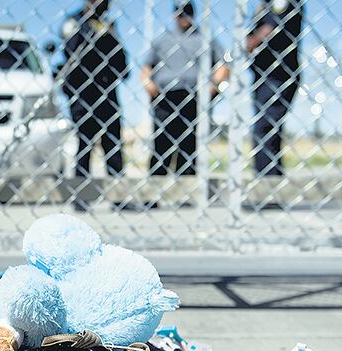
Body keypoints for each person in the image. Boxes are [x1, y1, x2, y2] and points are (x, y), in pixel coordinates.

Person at [143, 2, 229, 177]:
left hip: (193, 97)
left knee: (189, 145)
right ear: (174, 15)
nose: (183, 17)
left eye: (187, 12)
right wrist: (148, 84)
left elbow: (223, 65)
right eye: (180, 13)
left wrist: (212, 88)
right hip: (165, 97)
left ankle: (186, 193)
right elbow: (146, 66)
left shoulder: (204, 39)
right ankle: (153, 192)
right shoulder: (163, 39)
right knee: (162, 143)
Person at [60, 0, 129, 211]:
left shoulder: (109, 25)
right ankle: (82, 198)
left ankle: (118, 197)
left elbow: (121, 63)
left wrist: (109, 35)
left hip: (107, 95)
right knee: (85, 147)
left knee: (113, 146)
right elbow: (71, 53)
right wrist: (91, 32)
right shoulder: (74, 22)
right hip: (84, 96)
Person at [246, 0, 303, 177]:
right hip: (263, 74)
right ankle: (271, 179)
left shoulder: (283, 2)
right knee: (268, 128)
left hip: (279, 74)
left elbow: (270, 28)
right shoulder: (264, 5)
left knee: (265, 127)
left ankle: (267, 181)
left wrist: (249, 43)